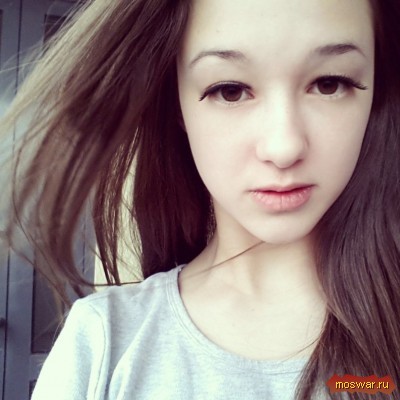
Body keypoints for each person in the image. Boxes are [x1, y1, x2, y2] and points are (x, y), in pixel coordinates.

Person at [2, 0, 400, 398]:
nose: (283, 147)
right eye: (230, 90)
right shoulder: (103, 345)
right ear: (176, 103)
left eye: (329, 84)